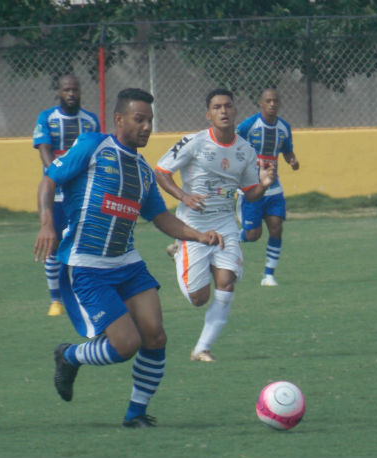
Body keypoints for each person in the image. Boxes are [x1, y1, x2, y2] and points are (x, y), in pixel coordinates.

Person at [33, 88, 223, 428]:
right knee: (125, 345)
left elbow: (160, 217)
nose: (147, 127)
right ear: (119, 120)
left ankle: (136, 414)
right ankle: (69, 355)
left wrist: (198, 235)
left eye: (150, 120)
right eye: (140, 119)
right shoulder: (92, 146)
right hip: (87, 266)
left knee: (156, 337)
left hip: (127, 264)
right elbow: (49, 180)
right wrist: (47, 223)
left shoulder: (144, 171)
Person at [154, 88, 275, 363]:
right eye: (217, 107)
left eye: (228, 106)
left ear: (234, 111)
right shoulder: (193, 142)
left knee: (226, 281)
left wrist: (263, 185)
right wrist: (183, 196)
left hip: (224, 224)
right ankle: (178, 252)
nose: (223, 111)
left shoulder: (245, 150)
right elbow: (161, 171)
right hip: (192, 226)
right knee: (199, 298)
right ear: (208, 114)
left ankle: (202, 348)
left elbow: (250, 192)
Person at [33, 74, 100, 316]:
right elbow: (44, 150)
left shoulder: (91, 121)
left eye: (75, 89)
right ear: (59, 92)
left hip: (81, 197)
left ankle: (82, 295)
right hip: (56, 195)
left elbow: (95, 154)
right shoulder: (47, 118)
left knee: (83, 247)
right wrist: (60, 177)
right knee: (53, 245)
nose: (71, 94)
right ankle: (56, 300)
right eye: (66, 90)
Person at [235, 88, 299, 287]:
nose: (272, 104)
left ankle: (268, 275)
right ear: (260, 104)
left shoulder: (284, 128)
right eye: (268, 101)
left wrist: (293, 160)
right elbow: (233, 146)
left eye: (275, 101)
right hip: (252, 189)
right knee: (253, 235)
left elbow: (287, 151)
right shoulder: (248, 126)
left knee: (276, 227)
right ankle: (229, 238)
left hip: (274, 188)